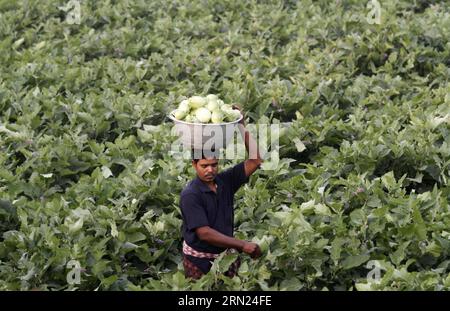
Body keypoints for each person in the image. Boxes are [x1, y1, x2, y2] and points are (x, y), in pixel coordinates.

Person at [179, 106, 263, 279]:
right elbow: (205, 233)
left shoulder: (225, 181)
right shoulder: (191, 194)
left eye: (214, 164)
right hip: (199, 261)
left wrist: (241, 125)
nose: (210, 170)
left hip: (226, 257)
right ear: (194, 165)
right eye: (204, 166)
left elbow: (256, 160)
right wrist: (242, 245)